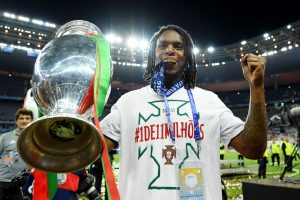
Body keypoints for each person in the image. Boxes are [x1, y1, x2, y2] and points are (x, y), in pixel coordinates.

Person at [100, 25, 268, 199]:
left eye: (178, 46)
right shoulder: (128, 103)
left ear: (187, 56)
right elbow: (88, 149)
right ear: (152, 55)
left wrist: (257, 88)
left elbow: (253, 149)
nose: (170, 50)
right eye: (163, 45)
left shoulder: (209, 101)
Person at [0, 107, 33, 200]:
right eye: (21, 118)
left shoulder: (35, 139)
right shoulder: (5, 137)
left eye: (27, 118)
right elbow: (4, 159)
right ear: (16, 121)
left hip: (23, 184)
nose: (24, 121)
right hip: (2, 181)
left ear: (31, 121)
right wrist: (9, 159)